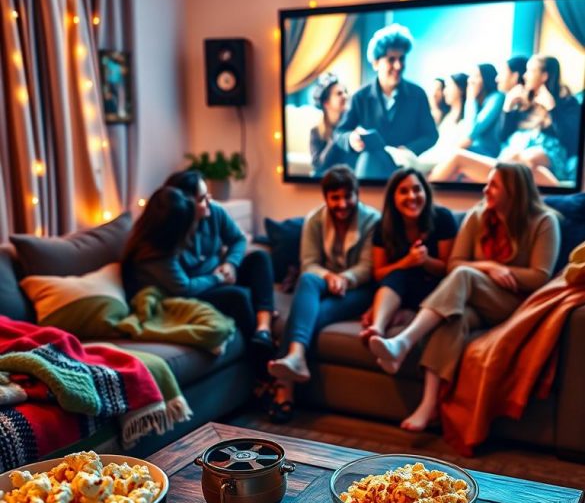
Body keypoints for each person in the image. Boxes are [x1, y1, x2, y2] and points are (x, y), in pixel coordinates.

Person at [369, 162, 560, 432]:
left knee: (464, 277)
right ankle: (428, 404)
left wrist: (494, 270)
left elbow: (539, 277)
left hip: (514, 304)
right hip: (474, 303)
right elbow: (455, 262)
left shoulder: (544, 222)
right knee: (452, 319)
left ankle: (403, 342)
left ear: (513, 190)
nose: (485, 189)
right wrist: (488, 266)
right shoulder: (477, 216)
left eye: (493, 184)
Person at [267, 165, 379, 421]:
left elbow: (367, 266)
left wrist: (345, 278)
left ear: (357, 194)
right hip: (323, 284)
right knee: (308, 278)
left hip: (358, 290)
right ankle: (295, 356)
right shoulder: (315, 220)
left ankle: (283, 390)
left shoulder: (372, 220)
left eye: (347, 196)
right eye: (335, 197)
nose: (342, 204)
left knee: (304, 316)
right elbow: (309, 262)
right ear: (326, 198)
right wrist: (328, 276)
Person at [124, 173, 276, 356]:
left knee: (259, 258)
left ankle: (263, 329)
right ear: (183, 206)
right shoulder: (162, 247)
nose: (209, 201)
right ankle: (263, 364)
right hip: (196, 289)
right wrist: (217, 278)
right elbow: (184, 288)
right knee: (239, 296)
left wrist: (230, 264)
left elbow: (238, 239)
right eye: (202, 198)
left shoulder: (213, 213)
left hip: (216, 275)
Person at [429, 55, 570, 186]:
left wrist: (552, 108)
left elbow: (569, 138)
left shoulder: (566, 102)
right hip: (511, 160)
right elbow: (503, 136)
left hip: (539, 155)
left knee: (519, 158)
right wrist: (508, 108)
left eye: (531, 71)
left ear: (544, 76)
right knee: (457, 159)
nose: (525, 76)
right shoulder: (523, 102)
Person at [359, 168, 457, 347]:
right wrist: (407, 262)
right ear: (393, 198)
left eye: (417, 189)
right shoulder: (383, 226)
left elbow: (449, 270)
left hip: (436, 291)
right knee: (398, 274)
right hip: (401, 290)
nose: (412, 196)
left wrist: (425, 261)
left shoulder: (443, 218)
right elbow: (379, 274)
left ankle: (405, 315)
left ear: (425, 192)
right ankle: (377, 329)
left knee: (412, 278)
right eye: (403, 191)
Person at [333, 23, 438, 180]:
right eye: (391, 60)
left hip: (405, 168)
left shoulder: (418, 94)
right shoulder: (360, 97)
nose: (398, 65)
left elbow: (431, 135)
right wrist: (351, 139)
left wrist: (408, 150)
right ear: (375, 63)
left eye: (402, 59)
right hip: (371, 165)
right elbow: (339, 133)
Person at [309, 71, 351, 176]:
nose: (345, 96)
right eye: (339, 93)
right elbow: (318, 166)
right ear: (326, 103)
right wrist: (335, 137)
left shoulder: (352, 126)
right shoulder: (315, 132)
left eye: (345, 92)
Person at [461, 63, 504, 157]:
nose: (470, 80)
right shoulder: (477, 102)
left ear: (486, 79)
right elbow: (466, 131)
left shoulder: (497, 97)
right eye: (470, 76)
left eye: (476, 76)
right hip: (474, 149)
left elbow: (472, 130)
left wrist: (470, 99)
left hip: (489, 152)